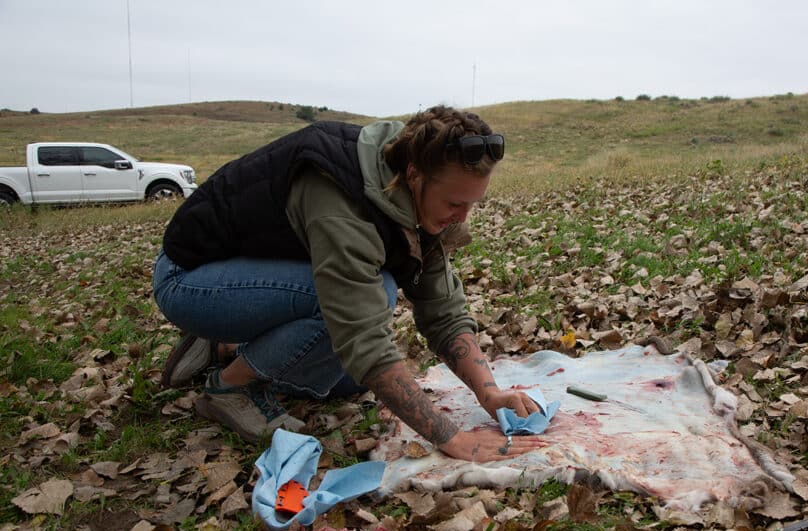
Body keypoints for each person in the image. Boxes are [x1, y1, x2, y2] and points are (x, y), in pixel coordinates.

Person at [152, 105, 545, 461]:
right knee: (375, 297)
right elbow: (361, 337)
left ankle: (224, 346)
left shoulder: (418, 184)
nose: (462, 217)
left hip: (250, 273)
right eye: (454, 204)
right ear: (414, 176)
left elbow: (442, 308)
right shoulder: (341, 199)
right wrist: (451, 438)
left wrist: (488, 392)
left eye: (472, 204)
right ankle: (229, 386)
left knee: (343, 384)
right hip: (189, 278)